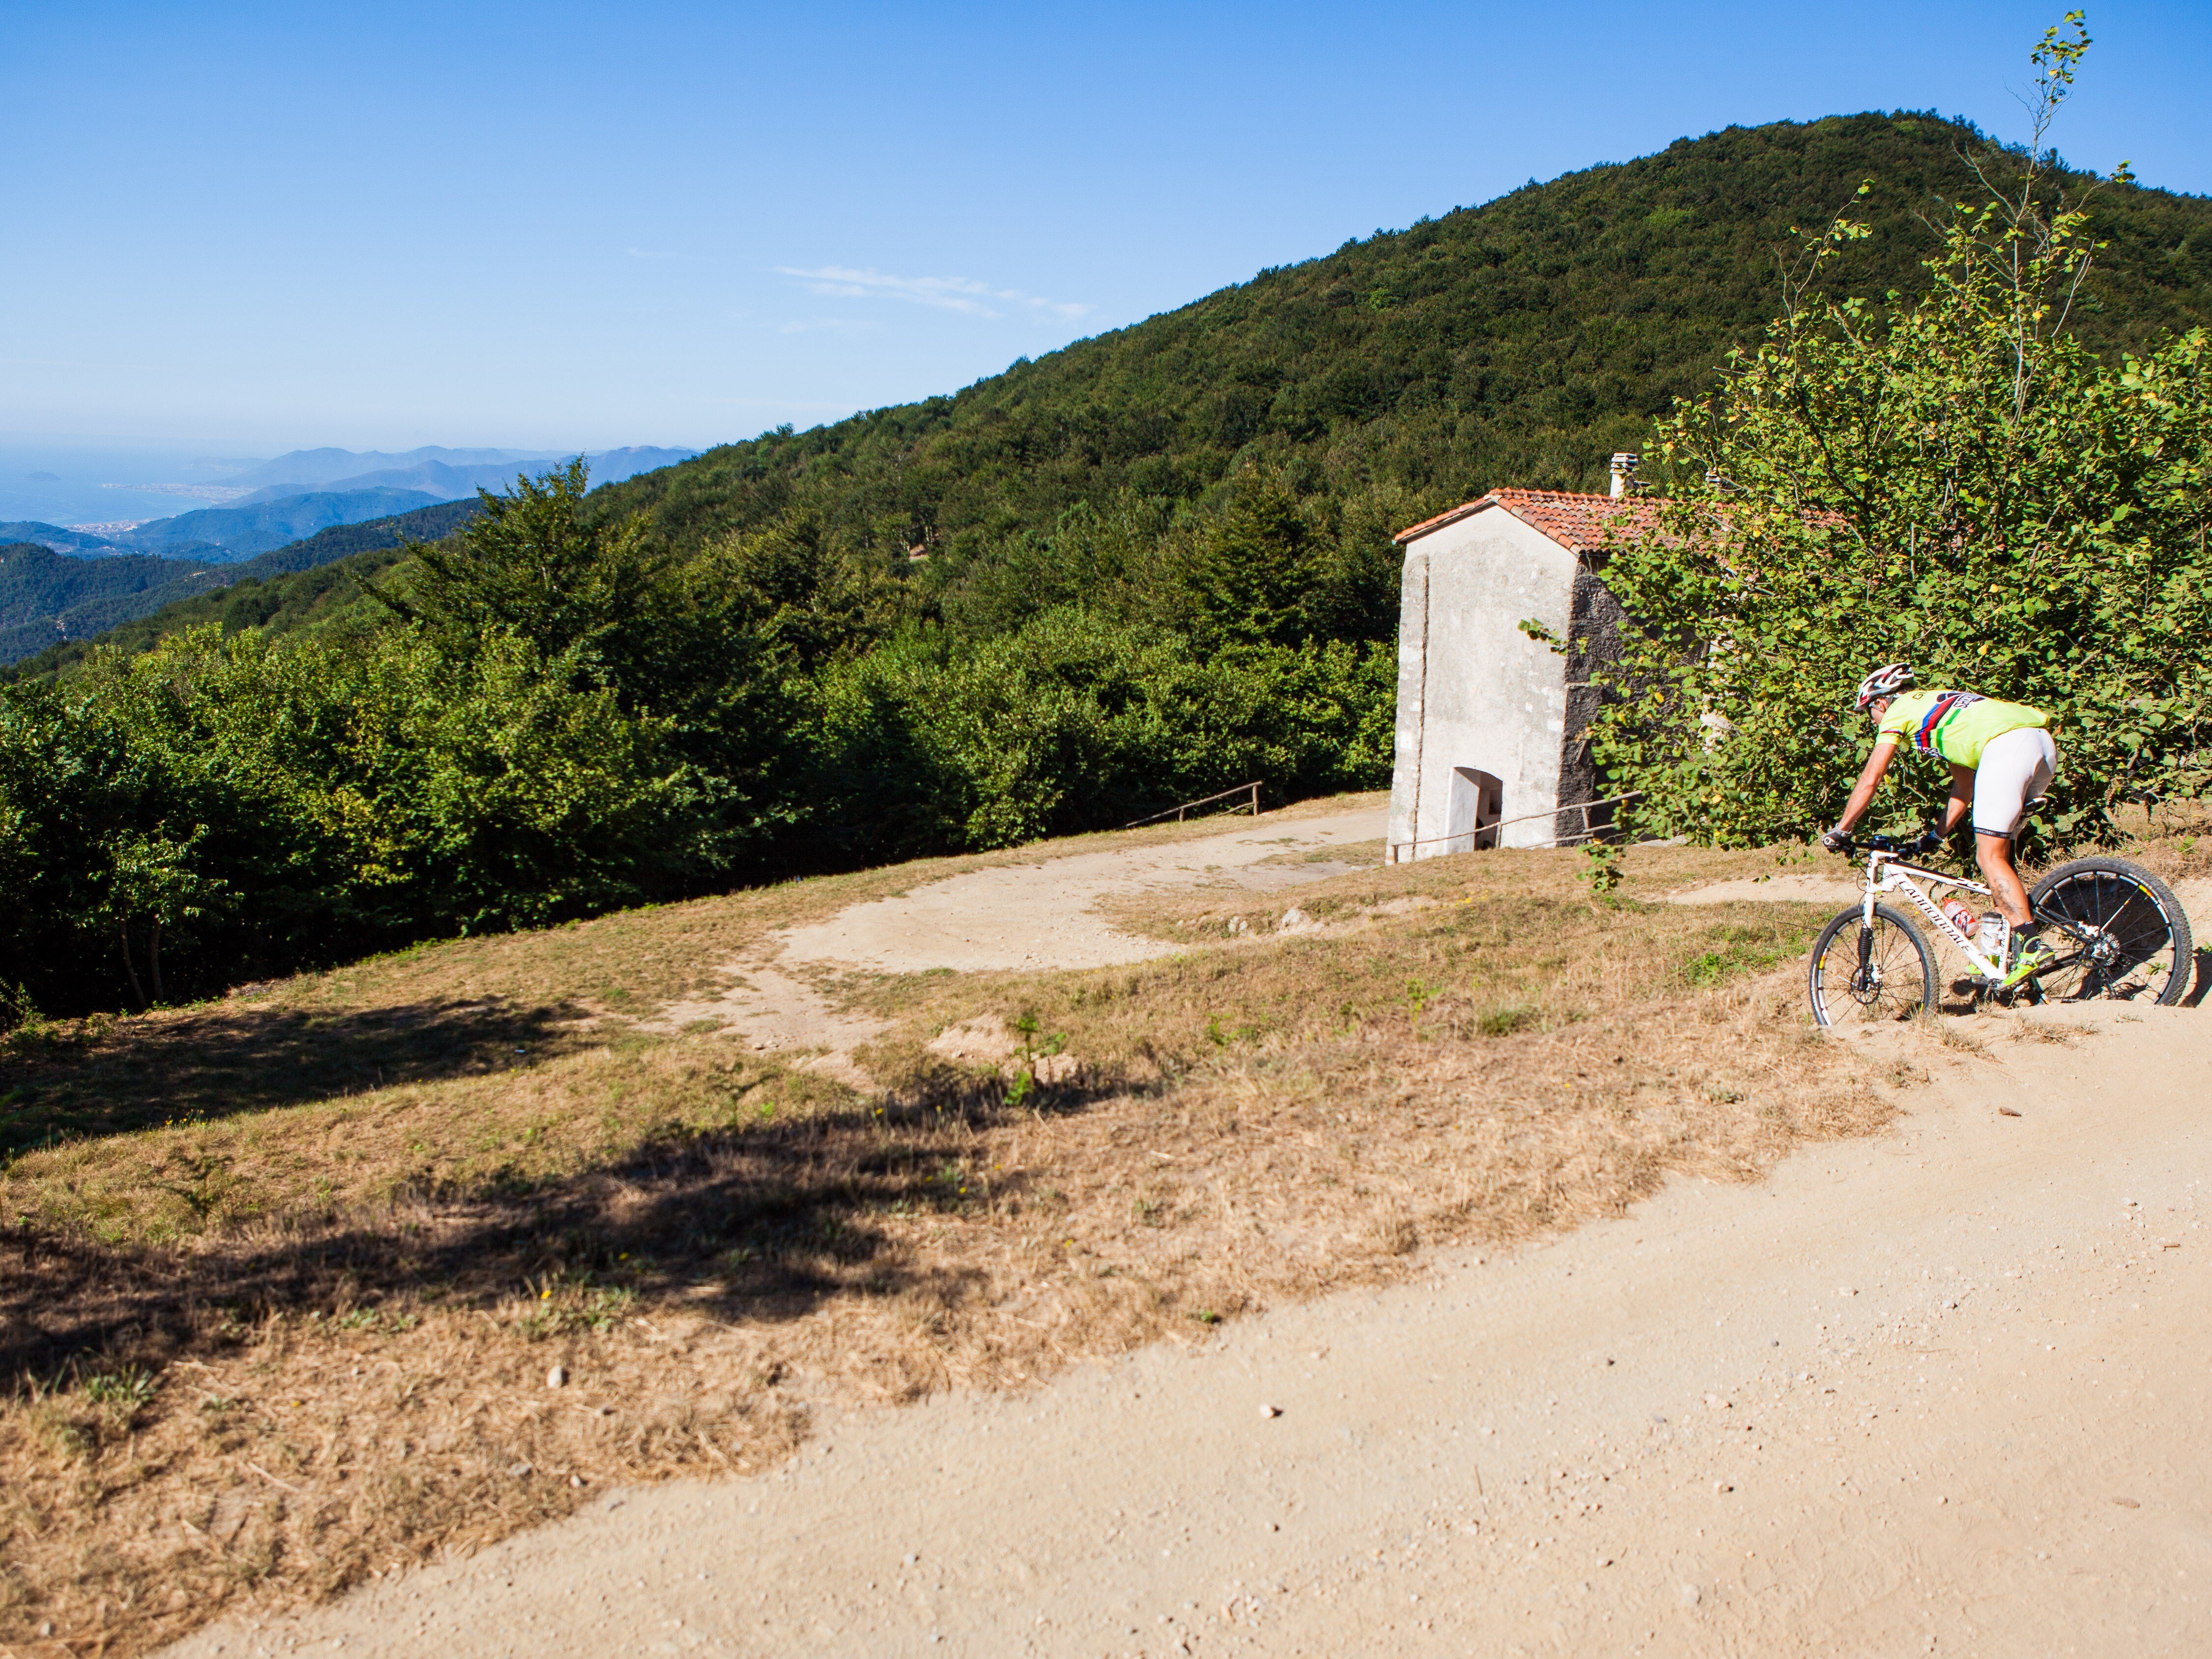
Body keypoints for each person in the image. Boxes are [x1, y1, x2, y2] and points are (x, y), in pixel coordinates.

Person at [1821, 663, 2057, 974]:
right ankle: (2002, 954)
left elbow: (1871, 778)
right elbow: (1965, 786)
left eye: (1870, 713)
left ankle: (2032, 946)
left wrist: (1841, 829)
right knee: (1999, 856)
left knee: (1988, 858)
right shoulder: (1937, 709)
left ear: (1881, 702)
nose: (1874, 721)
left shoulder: (1898, 711)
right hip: (2040, 743)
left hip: (2007, 749)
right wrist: (1936, 836)